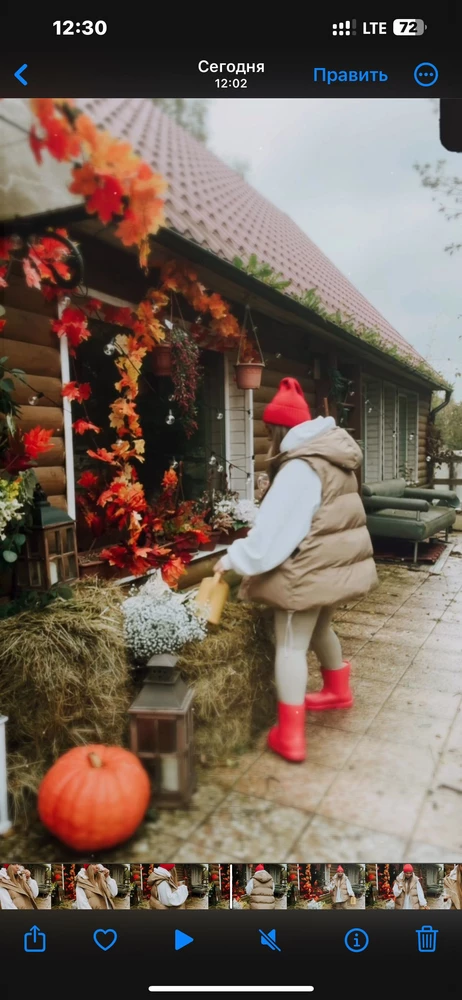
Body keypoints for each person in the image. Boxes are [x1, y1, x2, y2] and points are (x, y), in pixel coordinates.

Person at [214, 377, 377, 761]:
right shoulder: (333, 458)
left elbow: (273, 536)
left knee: (290, 644)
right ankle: (338, 689)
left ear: (277, 430)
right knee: (321, 625)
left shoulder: (299, 469)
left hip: (307, 571)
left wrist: (233, 559)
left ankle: (290, 735)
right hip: (333, 566)